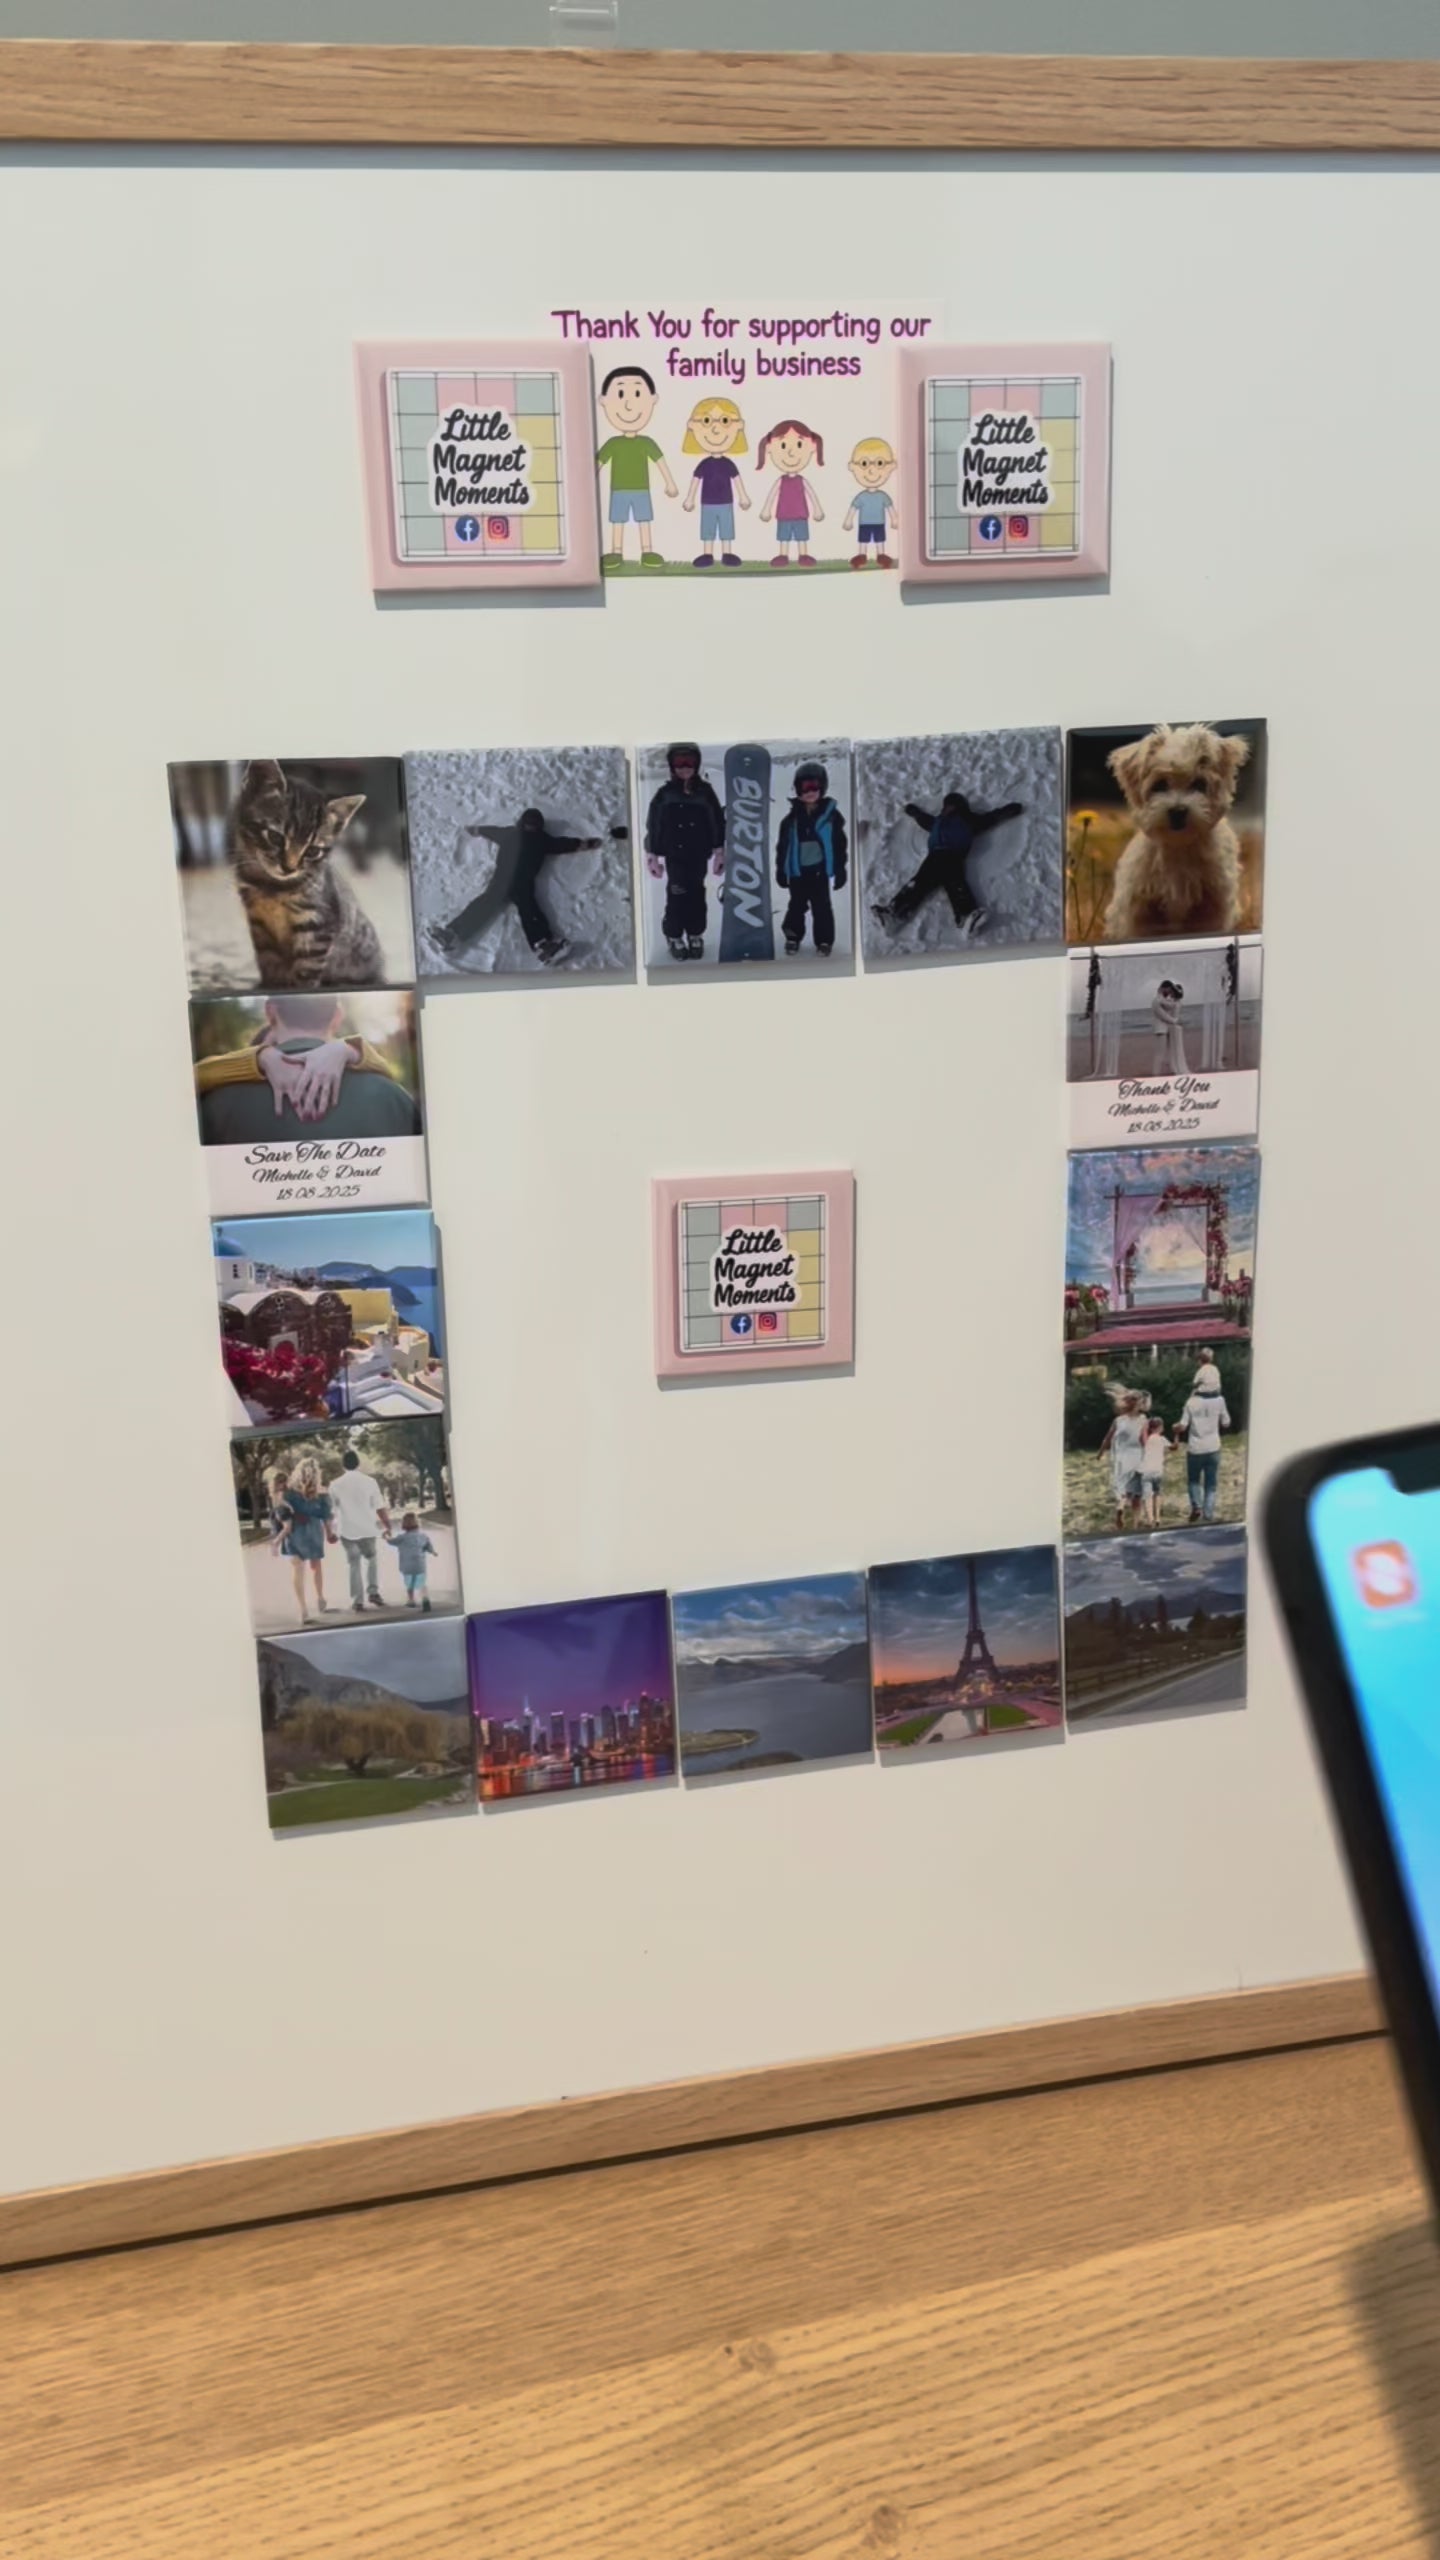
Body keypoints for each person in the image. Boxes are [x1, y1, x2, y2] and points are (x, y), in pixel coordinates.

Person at [196, 997, 420, 1144]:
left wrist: (260, 1057)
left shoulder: (212, 1102)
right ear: (337, 1016)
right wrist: (352, 1049)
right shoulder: (394, 1098)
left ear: (270, 1011)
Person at [431, 809, 608, 968]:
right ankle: (453, 935)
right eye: (529, 824)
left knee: (529, 909)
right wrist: (477, 830)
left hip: (522, 883)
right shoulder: (510, 833)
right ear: (522, 823)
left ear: (539, 826)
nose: (531, 828)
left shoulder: (541, 840)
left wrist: (583, 844)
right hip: (501, 880)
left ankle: (544, 945)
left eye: (534, 826)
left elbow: (561, 844)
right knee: (484, 904)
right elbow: (492, 831)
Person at [873, 789, 1025, 942]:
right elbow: (924, 819)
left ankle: (966, 916)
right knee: (920, 883)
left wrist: (1008, 811)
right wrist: (915, 812)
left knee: (955, 883)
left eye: (949, 805)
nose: (945, 808)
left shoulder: (969, 820)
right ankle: (893, 914)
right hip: (934, 855)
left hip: (954, 854)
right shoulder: (937, 821)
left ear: (959, 806)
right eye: (945, 806)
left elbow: (991, 818)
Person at [645, 743, 726, 961]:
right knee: (678, 894)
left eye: (689, 762)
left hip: (698, 854)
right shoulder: (665, 794)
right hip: (675, 855)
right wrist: (652, 855)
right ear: (671, 766)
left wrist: (719, 850)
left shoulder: (705, 792)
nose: (684, 768)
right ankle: (674, 935)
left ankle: (695, 933)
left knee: (697, 894)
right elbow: (654, 825)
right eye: (679, 763)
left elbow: (716, 821)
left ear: (697, 764)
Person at [596, 367, 677, 569]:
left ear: (653, 399)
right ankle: (616, 552)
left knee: (644, 520)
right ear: (604, 401)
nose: (629, 405)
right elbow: (598, 464)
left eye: (638, 394)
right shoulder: (613, 443)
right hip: (618, 490)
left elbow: (660, 462)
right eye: (620, 394)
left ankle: (647, 551)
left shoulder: (647, 443)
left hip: (642, 490)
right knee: (618, 521)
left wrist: (670, 483)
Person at [774, 761, 848, 957]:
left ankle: (824, 940)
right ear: (797, 789)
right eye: (804, 787)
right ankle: (793, 936)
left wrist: (840, 869)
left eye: (813, 787)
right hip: (798, 872)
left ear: (822, 787)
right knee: (796, 906)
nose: (809, 792)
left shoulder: (831, 817)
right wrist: (781, 870)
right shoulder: (791, 820)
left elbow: (839, 846)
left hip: (819, 872)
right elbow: (782, 848)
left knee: (821, 907)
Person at [680, 397, 751, 567]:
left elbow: (737, 479)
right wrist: (689, 498)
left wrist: (743, 497)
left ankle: (727, 553)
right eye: (706, 421)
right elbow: (695, 480)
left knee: (726, 528)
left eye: (725, 421)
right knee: (708, 529)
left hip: (726, 502)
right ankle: (707, 554)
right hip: (707, 503)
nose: (716, 429)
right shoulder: (704, 464)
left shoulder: (729, 464)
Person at [326, 1446, 392, 1612]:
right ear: (358, 1464)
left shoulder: (335, 1484)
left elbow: (330, 1512)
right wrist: (387, 1525)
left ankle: (358, 1601)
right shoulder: (370, 1482)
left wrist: (330, 1532)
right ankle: (373, 1593)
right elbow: (379, 1507)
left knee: (353, 1564)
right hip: (367, 1528)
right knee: (371, 1559)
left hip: (347, 1531)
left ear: (343, 1465)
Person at [757, 419, 825, 567]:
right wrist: (766, 509)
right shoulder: (781, 481)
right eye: (783, 445)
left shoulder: (802, 480)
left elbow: (812, 495)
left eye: (799, 445)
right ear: (769, 448)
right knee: (784, 537)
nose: (791, 452)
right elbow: (771, 496)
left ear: (812, 447)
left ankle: (803, 554)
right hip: (784, 515)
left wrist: (817, 509)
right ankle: (783, 555)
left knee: (802, 536)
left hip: (800, 515)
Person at [274, 1459, 334, 1625]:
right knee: (316, 1566)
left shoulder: (288, 1493)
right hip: (314, 1532)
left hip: (295, 1532)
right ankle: (320, 1598)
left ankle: (302, 1609)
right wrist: (329, 1533)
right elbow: (326, 1517)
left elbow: (281, 1511)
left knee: (298, 1570)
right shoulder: (322, 1494)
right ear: (317, 1473)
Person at [1175, 1379, 1232, 1524]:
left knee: (1194, 1480)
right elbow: (1226, 1423)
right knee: (1211, 1484)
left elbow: (1183, 1426)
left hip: (1195, 1448)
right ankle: (1208, 1515)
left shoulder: (1190, 1402)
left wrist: (1175, 1428)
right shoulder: (1220, 1400)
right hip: (1213, 1447)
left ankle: (1197, 1506)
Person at [841, 435, 899, 569]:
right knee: (863, 540)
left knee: (880, 540)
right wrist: (848, 520)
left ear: (891, 466)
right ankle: (862, 555)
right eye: (864, 464)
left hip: (879, 523)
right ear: (852, 467)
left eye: (880, 463)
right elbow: (853, 508)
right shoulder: (861, 497)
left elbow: (890, 508)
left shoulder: (883, 496)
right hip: (864, 523)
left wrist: (895, 520)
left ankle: (881, 555)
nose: (871, 470)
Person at [1098, 1390, 1147, 1532]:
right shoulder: (1143, 1419)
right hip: (1137, 1456)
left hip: (1121, 1458)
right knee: (1137, 1493)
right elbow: (1143, 1440)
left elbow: (1108, 1438)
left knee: (1123, 1489)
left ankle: (1120, 1507)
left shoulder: (1119, 1420)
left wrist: (1100, 1453)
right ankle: (1136, 1524)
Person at [385, 1511, 437, 1612]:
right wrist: (433, 1552)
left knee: (409, 1584)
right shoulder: (423, 1536)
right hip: (420, 1565)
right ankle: (425, 1599)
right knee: (422, 1583)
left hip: (407, 1566)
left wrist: (386, 1536)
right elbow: (428, 1546)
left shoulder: (402, 1537)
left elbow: (391, 1541)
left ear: (404, 1524)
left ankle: (411, 1600)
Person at [1140, 1416, 1174, 1527]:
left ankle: (1150, 1519)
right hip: (1158, 1470)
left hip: (1146, 1470)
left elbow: (1141, 1438)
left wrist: (1145, 1426)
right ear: (1161, 1427)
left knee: (1147, 1496)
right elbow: (1174, 1447)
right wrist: (1177, 1435)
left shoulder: (1147, 1439)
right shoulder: (1162, 1439)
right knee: (1157, 1493)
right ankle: (1158, 1517)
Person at [1152, 979, 1188, 1073]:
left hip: (1166, 1029)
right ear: (1163, 988)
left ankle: (1166, 1069)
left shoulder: (1162, 1000)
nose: (1169, 992)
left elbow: (1170, 1005)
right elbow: (1163, 1015)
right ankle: (1155, 1073)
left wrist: (1176, 999)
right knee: (1160, 1053)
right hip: (1160, 1030)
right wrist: (1175, 1021)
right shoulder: (1157, 1001)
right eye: (1168, 989)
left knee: (1166, 1052)